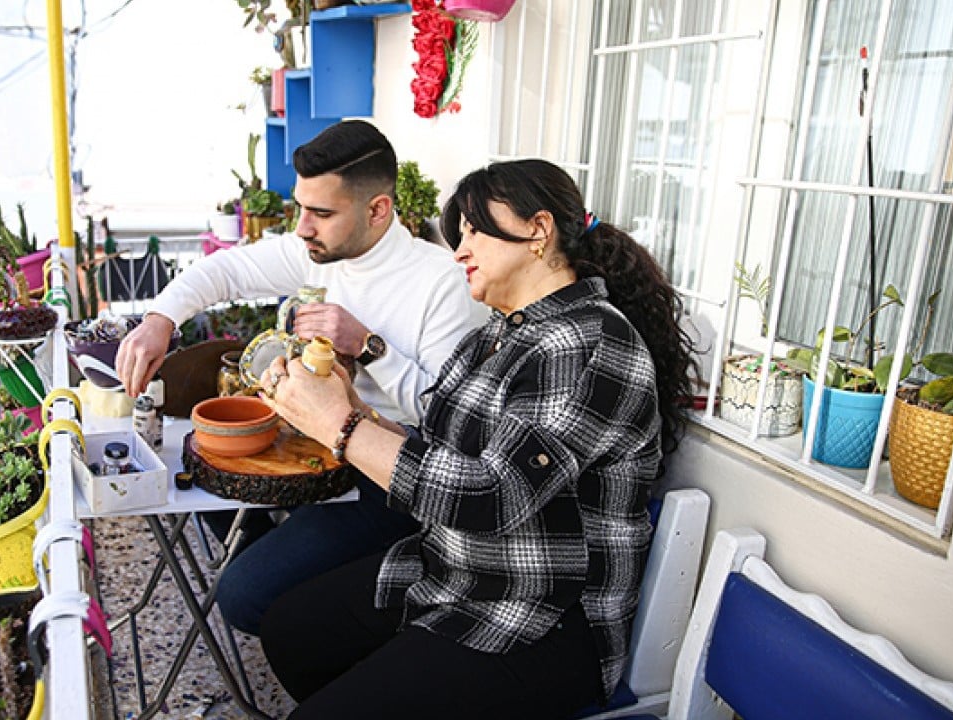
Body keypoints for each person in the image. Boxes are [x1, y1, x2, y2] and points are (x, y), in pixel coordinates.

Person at [255, 158, 698, 719]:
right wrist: (351, 407)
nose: (459, 250)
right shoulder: (493, 337)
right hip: (457, 572)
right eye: (457, 234)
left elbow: (491, 496)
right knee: (292, 629)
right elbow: (435, 450)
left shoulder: (590, 343)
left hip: (542, 619)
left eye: (475, 231)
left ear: (538, 231)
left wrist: (339, 428)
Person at [113, 120, 487, 634]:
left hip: (387, 471)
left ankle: (307, 599)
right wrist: (158, 322)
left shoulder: (442, 283)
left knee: (242, 597)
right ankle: (284, 558)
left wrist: (368, 346)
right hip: (309, 444)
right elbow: (226, 271)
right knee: (197, 466)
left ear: (378, 210)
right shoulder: (319, 250)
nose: (302, 226)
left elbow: (450, 418)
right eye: (300, 207)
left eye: (321, 213)